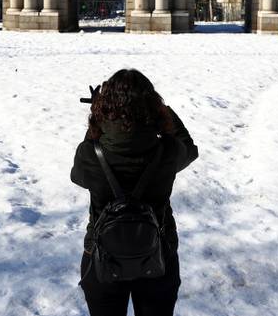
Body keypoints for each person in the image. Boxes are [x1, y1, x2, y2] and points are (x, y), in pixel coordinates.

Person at [71, 69, 198, 316]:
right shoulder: (169, 150)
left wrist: (96, 119)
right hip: (159, 254)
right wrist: (165, 112)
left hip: (101, 255)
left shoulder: (89, 153)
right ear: (153, 107)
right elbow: (189, 149)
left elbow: (78, 176)